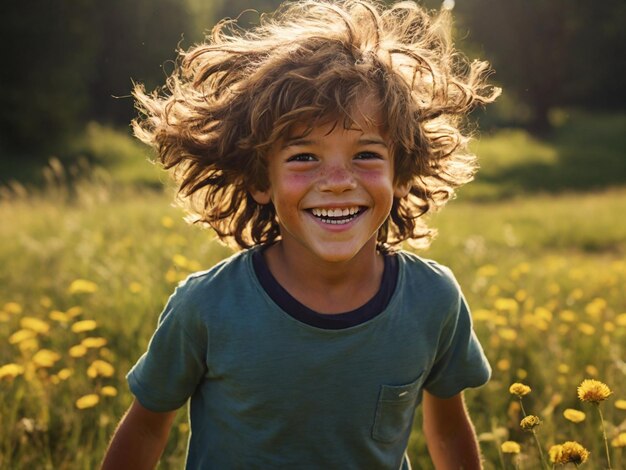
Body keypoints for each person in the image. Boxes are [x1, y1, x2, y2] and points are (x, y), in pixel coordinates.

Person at [102, 1, 500, 468]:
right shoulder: (206, 307)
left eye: (366, 154)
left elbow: (450, 430)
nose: (336, 181)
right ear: (260, 181)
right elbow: (148, 426)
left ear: (402, 174)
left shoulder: (434, 300)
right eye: (304, 157)